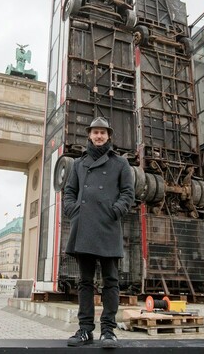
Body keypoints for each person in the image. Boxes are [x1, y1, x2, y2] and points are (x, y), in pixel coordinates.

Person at [63, 117, 134, 348]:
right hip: (84, 226)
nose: (99, 136)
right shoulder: (78, 164)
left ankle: (108, 330)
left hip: (108, 226)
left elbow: (128, 194)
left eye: (103, 132)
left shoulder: (120, 163)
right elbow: (69, 192)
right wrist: (75, 212)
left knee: (110, 281)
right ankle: (85, 329)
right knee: (84, 281)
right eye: (95, 132)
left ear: (109, 136)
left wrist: (115, 211)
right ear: (90, 135)